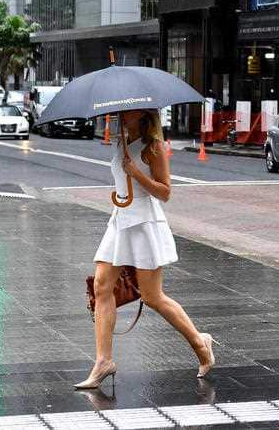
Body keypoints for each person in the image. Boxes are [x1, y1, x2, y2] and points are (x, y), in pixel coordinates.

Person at [75, 109, 215, 389]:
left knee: (152, 297)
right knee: (102, 287)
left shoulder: (155, 147)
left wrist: (136, 173)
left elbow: (165, 192)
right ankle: (104, 362)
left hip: (144, 223)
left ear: (143, 114)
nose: (121, 115)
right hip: (120, 220)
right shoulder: (120, 142)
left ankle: (201, 343)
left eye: (128, 111)